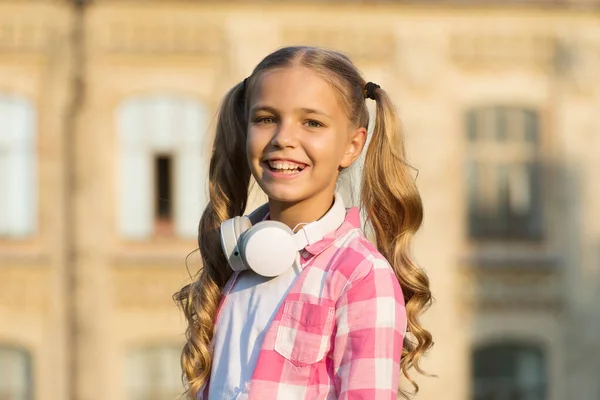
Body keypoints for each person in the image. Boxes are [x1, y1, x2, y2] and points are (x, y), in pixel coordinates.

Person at [174, 46, 433, 400]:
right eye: (266, 119)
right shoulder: (237, 266)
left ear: (352, 146)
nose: (283, 138)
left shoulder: (359, 275)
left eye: (312, 122)